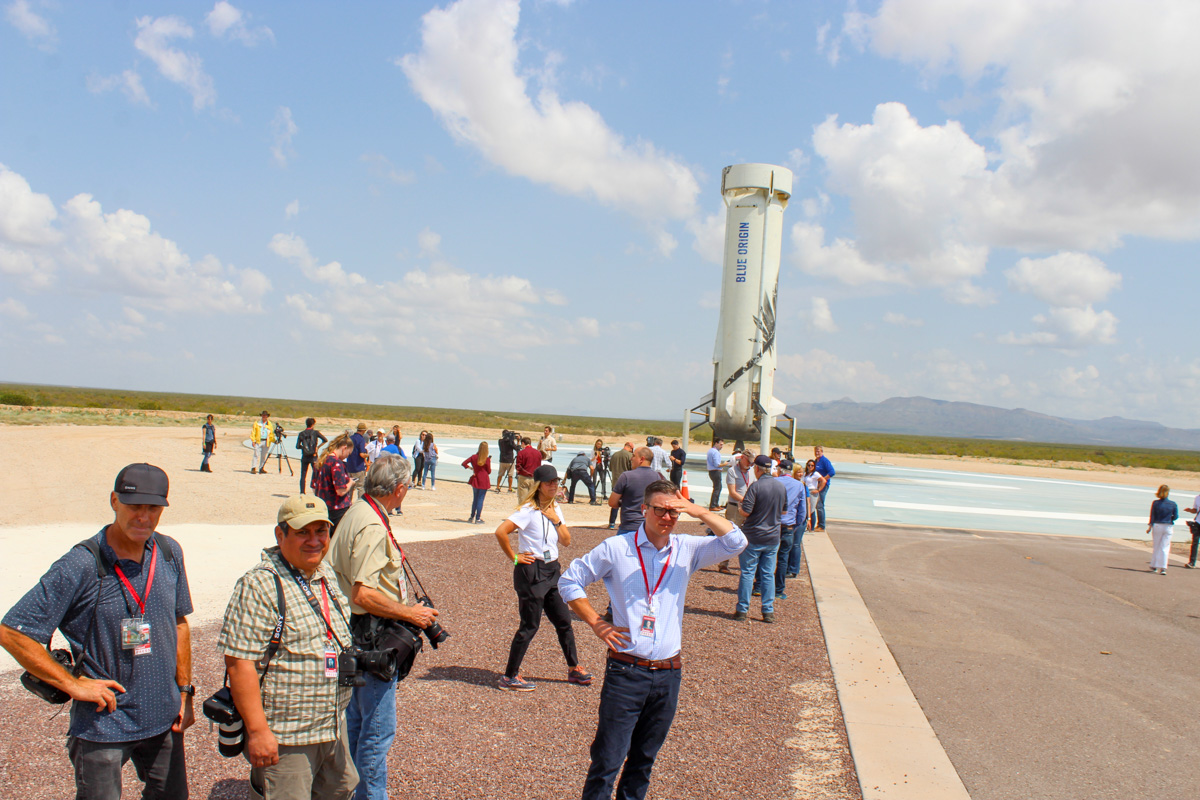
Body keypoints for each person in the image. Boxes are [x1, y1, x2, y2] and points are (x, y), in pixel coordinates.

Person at [0, 463, 194, 799]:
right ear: (114, 501)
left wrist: (185, 692)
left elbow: (179, 624)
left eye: (153, 508)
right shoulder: (82, 563)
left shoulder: (168, 551)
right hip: (105, 724)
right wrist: (72, 684)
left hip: (164, 719)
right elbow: (13, 631)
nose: (144, 518)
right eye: (135, 507)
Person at [559, 480, 747, 800]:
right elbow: (570, 581)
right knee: (608, 760)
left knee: (644, 762)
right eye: (660, 509)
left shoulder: (686, 549)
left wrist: (694, 509)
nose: (667, 517)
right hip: (626, 671)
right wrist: (595, 622)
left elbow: (736, 541)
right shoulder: (617, 548)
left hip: (668, 674)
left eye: (673, 511)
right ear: (644, 509)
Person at [218, 496, 358, 799]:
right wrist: (257, 732)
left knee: (342, 788)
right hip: (288, 734)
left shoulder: (326, 575)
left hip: (332, 726)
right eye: (302, 532)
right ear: (280, 535)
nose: (314, 541)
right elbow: (239, 663)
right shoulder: (260, 585)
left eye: (321, 531)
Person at [326, 455, 439, 800]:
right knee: (377, 732)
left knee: (358, 723)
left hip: (351, 633)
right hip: (371, 637)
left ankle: (355, 792)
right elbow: (364, 593)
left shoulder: (357, 511)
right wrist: (410, 614)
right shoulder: (374, 526)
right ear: (400, 489)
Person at [493, 464, 593, 692]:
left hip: (552, 571)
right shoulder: (527, 510)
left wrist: (555, 520)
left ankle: (574, 668)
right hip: (531, 572)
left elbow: (566, 541)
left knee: (564, 622)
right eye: (549, 482)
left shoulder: (556, 508)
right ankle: (509, 677)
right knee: (530, 626)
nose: (553, 486)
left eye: (556, 482)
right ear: (538, 486)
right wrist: (515, 558)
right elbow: (500, 532)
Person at [734, 455, 787, 623]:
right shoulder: (780, 487)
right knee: (768, 574)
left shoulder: (755, 487)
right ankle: (768, 611)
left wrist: (740, 507)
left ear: (757, 469)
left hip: (753, 535)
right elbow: (784, 512)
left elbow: (746, 512)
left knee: (748, 573)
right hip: (772, 537)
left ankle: (742, 609)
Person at [773, 462, 808, 600]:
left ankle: (759, 586)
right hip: (788, 526)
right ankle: (778, 590)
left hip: (772, 525)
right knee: (783, 558)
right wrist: (796, 525)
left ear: (780, 469)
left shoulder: (773, 482)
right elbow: (802, 510)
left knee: (765, 555)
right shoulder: (799, 485)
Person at [609, 447, 660, 535]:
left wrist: (624, 502)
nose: (631, 458)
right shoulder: (657, 477)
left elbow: (612, 502)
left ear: (642, 459)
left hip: (629, 526)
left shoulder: (626, 476)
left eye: (633, 456)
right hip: (649, 527)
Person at [720, 450, 755, 575]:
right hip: (735, 507)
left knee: (748, 536)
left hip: (748, 508)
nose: (750, 465)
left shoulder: (752, 471)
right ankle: (723, 563)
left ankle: (746, 564)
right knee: (730, 535)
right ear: (742, 458)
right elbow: (733, 492)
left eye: (752, 463)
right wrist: (747, 501)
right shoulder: (732, 471)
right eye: (749, 462)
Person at [313, 433, 355, 531]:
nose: (346, 457)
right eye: (348, 454)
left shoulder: (321, 460)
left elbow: (314, 486)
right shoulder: (336, 463)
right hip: (338, 509)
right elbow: (341, 491)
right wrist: (350, 483)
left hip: (323, 507)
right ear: (344, 448)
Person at [1146, 484, 1178, 575]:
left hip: (1158, 525)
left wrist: (1150, 526)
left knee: (1156, 546)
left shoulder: (1156, 503)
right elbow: (1176, 516)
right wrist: (1170, 518)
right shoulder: (1173, 504)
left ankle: (1154, 565)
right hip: (1168, 526)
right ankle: (1163, 567)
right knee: (1165, 547)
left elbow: (1152, 516)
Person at [606, 443, 634, 530]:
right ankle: (624, 523)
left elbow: (610, 468)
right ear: (630, 448)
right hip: (626, 482)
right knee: (626, 504)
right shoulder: (630, 456)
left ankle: (611, 523)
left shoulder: (614, 455)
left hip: (615, 482)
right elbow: (632, 469)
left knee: (615, 504)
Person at [297, 417, 329, 496]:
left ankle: (302, 492)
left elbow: (297, 446)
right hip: (313, 456)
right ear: (313, 424)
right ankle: (318, 491)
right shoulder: (315, 432)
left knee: (303, 474)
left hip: (304, 456)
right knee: (317, 474)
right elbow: (325, 440)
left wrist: (304, 448)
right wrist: (317, 447)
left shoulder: (301, 433)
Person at [463, 442, 493, 524]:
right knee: (480, 499)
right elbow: (489, 471)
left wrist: (471, 468)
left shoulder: (474, 457)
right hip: (484, 480)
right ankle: (478, 518)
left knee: (475, 499)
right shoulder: (486, 459)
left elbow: (464, 463)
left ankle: (472, 516)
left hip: (476, 479)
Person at [813, 445, 836, 531]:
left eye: (818, 451)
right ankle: (817, 524)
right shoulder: (816, 461)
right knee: (815, 504)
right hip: (816, 485)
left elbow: (832, 472)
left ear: (822, 452)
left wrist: (823, 479)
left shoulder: (825, 461)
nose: (817, 453)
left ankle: (821, 525)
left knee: (819, 505)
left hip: (823, 485)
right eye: (816, 451)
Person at [346, 424, 371, 501]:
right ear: (363, 430)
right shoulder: (361, 439)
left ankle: (347, 504)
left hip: (349, 466)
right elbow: (361, 454)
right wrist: (368, 454)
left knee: (350, 487)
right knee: (360, 487)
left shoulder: (350, 438)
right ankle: (360, 503)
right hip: (358, 467)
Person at [705, 438, 728, 510]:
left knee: (717, 487)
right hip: (715, 471)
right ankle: (713, 505)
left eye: (722, 445)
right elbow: (717, 464)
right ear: (716, 443)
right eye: (720, 444)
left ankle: (716, 504)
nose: (721, 446)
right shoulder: (715, 452)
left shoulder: (710, 451)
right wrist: (725, 464)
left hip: (712, 471)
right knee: (717, 488)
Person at [496, 429, 519, 494]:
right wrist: (516, 441)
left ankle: (497, 487)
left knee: (500, 474)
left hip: (502, 460)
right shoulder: (510, 442)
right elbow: (517, 448)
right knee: (510, 475)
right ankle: (509, 488)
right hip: (509, 460)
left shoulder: (500, 441)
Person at [1185, 493, 1200, 569]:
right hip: (1198, 522)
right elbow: (1195, 510)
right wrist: (1190, 510)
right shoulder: (1197, 498)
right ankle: (1192, 562)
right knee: (1195, 543)